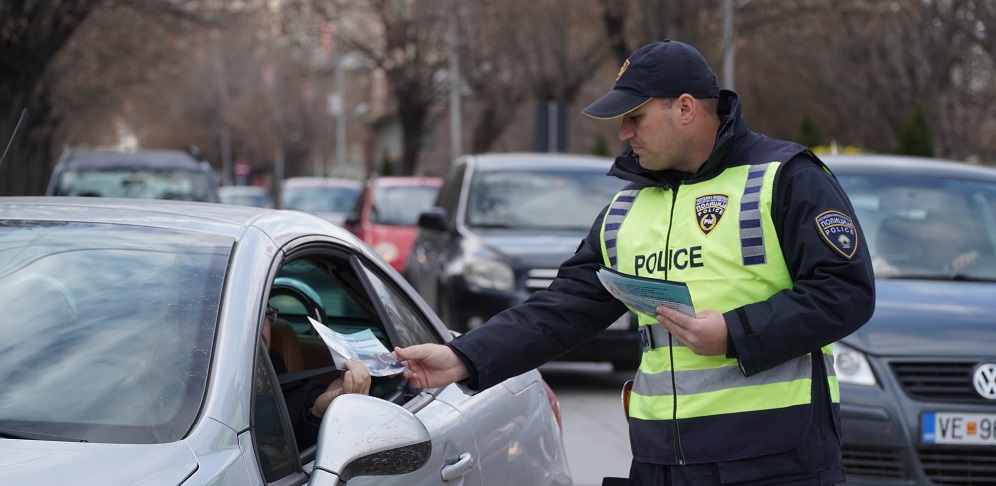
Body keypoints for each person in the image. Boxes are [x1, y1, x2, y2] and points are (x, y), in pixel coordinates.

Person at [393, 40, 875, 485]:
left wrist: (734, 333)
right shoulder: (628, 207)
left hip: (773, 463)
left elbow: (845, 293)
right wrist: (463, 357)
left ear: (685, 109)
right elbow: (563, 307)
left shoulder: (784, 178)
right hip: (660, 462)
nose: (624, 133)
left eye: (635, 117)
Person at [262, 305, 371, 451]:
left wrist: (318, 414)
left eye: (263, 314)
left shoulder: (301, 394)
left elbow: (315, 460)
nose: (257, 326)